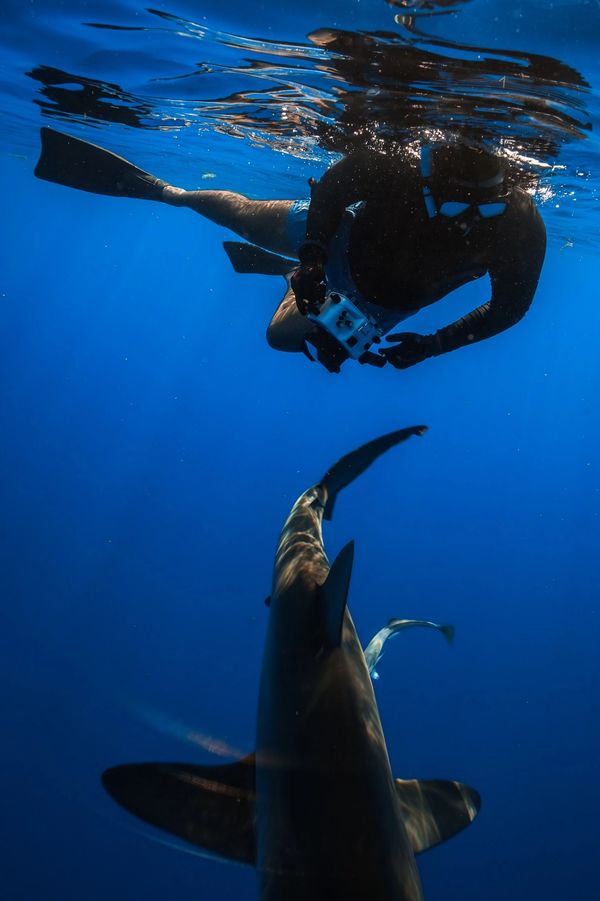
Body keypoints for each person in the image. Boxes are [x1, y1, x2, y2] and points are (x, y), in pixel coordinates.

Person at [35, 127, 546, 373]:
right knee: (241, 212)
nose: (466, 222)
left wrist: (436, 344)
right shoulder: (396, 162)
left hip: (380, 305)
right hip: (337, 239)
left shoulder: (521, 227)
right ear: (428, 175)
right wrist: (313, 258)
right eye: (453, 207)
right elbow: (329, 192)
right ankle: (170, 192)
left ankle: (289, 286)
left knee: (277, 337)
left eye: (484, 210)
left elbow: (510, 309)